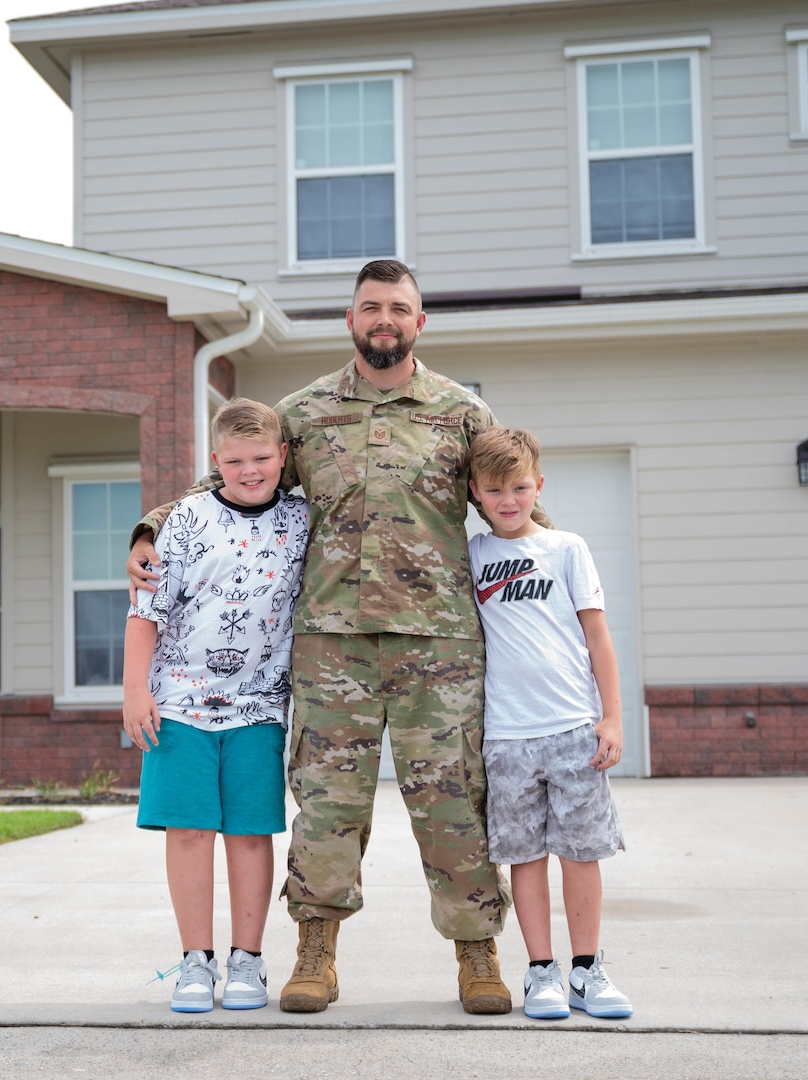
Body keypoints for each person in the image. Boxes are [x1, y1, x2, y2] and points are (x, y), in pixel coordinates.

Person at [129, 260, 546, 1015]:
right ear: (349, 320)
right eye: (368, 307)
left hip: (439, 648)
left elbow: (509, 506)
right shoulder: (304, 413)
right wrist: (152, 527)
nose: (382, 318)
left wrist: (560, 575)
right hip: (331, 646)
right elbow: (231, 480)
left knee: (452, 801)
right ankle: (314, 952)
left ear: (419, 323)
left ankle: (477, 955)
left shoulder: (461, 414)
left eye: (397, 307)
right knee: (326, 806)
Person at [123, 397, 310, 1012]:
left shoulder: (303, 521)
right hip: (179, 704)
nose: (250, 470)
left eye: (262, 458)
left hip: (259, 707)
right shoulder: (183, 521)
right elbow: (145, 609)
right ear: (215, 462)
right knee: (189, 830)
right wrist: (135, 689)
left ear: (283, 456)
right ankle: (195, 962)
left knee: (251, 833)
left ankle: (247, 961)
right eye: (236, 460)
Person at [466, 426, 632, 1020]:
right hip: (507, 737)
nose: (508, 501)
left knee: (581, 852)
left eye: (518, 487)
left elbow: (599, 638)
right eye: (494, 490)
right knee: (525, 856)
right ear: (475, 493)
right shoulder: (474, 557)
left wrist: (610, 717)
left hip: (572, 730)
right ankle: (542, 973)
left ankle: (587, 969)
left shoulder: (566, 549)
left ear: (538, 485)